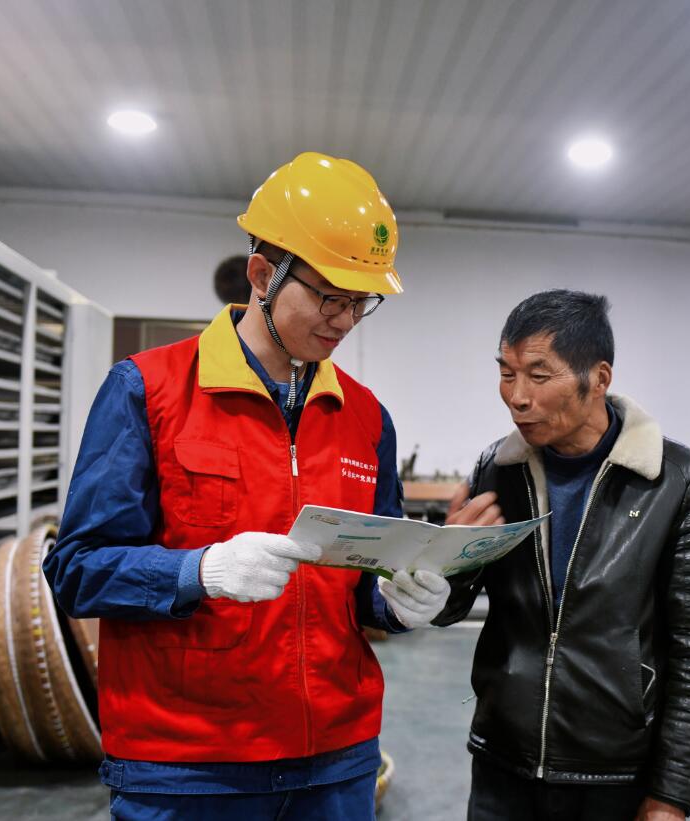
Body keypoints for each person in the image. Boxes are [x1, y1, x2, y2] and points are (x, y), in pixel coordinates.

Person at [43, 152, 472, 820]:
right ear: (263, 274)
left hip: (336, 759)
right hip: (189, 764)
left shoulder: (365, 418)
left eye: (362, 302)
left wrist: (400, 602)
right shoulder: (147, 390)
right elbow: (76, 571)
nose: (344, 319)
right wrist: (200, 571)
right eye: (329, 295)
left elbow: (367, 581)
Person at [433, 290, 690, 820]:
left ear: (598, 378)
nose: (517, 397)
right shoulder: (498, 469)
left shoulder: (676, 482)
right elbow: (446, 610)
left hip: (613, 773)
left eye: (538, 375)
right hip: (503, 764)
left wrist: (671, 795)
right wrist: (445, 558)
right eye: (506, 373)